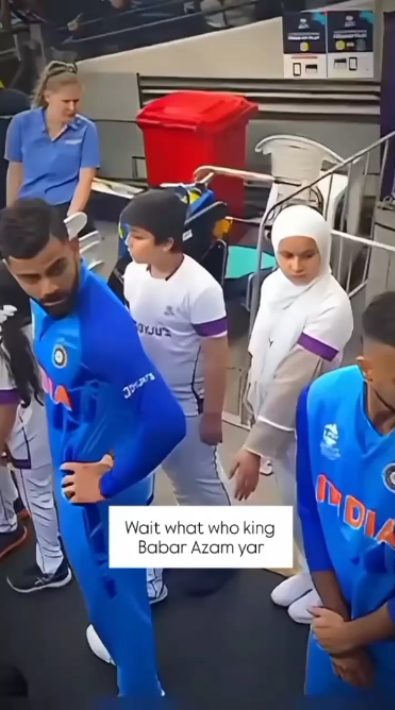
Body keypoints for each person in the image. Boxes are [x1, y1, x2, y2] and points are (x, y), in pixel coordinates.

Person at [0, 197, 186, 698]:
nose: (47, 287)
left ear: (75, 248)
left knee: (120, 607)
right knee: (108, 602)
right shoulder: (46, 298)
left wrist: (106, 481)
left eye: (56, 269)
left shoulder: (102, 334)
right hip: (80, 476)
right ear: (12, 271)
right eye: (30, 278)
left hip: (102, 497)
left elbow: (168, 422)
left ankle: (142, 694)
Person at [87, 188, 231, 664]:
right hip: (146, 401)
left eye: (138, 236)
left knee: (198, 485)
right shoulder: (133, 274)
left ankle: (223, 556)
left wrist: (213, 415)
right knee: (153, 482)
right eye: (127, 234)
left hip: (189, 406)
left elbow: (217, 358)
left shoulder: (201, 289)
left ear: (169, 241)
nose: (127, 242)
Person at [229, 205, 354, 624]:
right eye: (287, 254)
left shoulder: (332, 306)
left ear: (325, 251)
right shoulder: (274, 286)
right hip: (275, 421)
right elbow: (261, 354)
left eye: (307, 255)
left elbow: (292, 382)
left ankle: (331, 591)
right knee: (291, 504)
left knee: (313, 508)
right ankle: (308, 570)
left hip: (310, 428)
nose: (296, 266)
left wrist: (254, 448)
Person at [297, 290, 395, 695]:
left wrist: (352, 635)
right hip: (336, 620)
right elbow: (311, 512)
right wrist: (338, 629)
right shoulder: (321, 399)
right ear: (366, 370)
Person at [0, 261, 71, 592]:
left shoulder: (5, 342)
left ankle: (52, 564)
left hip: (25, 430)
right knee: (50, 489)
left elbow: (7, 403)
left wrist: (0, 443)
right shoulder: (41, 319)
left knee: (38, 495)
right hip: (52, 415)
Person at [4, 61, 99, 226]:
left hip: (66, 205)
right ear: (47, 97)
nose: (72, 107)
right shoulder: (21, 123)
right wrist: (12, 213)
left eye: (76, 101)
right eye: (66, 101)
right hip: (30, 206)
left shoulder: (87, 129)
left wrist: (72, 220)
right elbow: (15, 172)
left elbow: (86, 178)